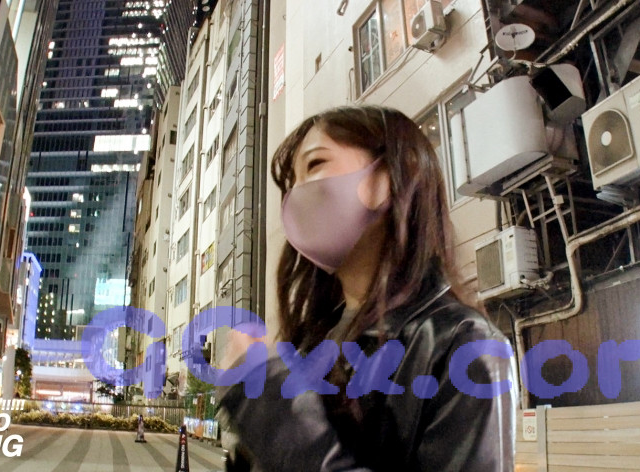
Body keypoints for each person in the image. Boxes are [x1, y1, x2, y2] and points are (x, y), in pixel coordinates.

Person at [218, 106, 516, 471]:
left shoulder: (464, 344)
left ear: (392, 175)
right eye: (291, 183)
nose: (295, 194)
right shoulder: (312, 343)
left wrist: (274, 414)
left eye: (315, 164)